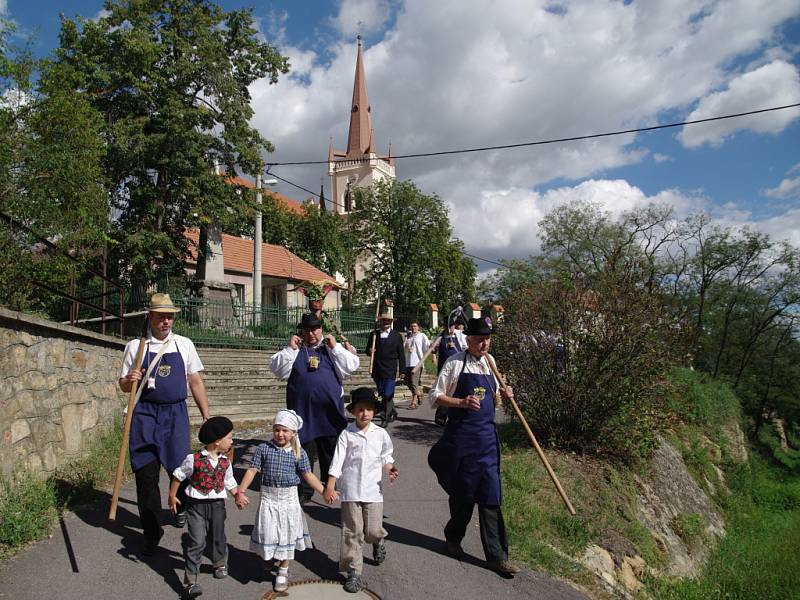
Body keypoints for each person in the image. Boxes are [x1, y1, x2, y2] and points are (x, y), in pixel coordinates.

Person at [426, 316, 520, 577]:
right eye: (480, 340)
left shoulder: (491, 363)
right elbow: (435, 397)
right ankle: (453, 537)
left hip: (488, 442)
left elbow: (496, 401)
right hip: (462, 442)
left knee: (491, 498)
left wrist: (506, 394)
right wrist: (461, 403)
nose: (485, 344)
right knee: (463, 495)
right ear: (468, 340)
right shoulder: (455, 363)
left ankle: (497, 557)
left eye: (488, 339)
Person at [118, 293, 210, 556]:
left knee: (181, 469)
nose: (166, 321)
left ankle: (179, 507)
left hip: (175, 416)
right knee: (145, 476)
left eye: (169, 316)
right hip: (144, 416)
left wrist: (206, 415)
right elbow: (123, 385)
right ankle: (151, 531)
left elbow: (195, 381)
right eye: (161, 316)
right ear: (150, 317)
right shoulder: (135, 347)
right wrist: (129, 379)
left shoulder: (184, 344)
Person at [237, 409, 333, 592]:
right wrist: (240, 491)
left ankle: (283, 569)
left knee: (286, 534)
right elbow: (252, 470)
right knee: (268, 530)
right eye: (277, 430)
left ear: (293, 433)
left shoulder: (299, 453)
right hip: (269, 498)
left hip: (289, 499)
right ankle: (267, 556)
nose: (280, 434)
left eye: (285, 430)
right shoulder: (263, 449)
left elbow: (308, 475)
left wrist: (324, 490)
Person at [270, 313, 360, 504]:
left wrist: (335, 347)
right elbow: (276, 369)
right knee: (304, 454)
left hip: (329, 414)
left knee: (330, 452)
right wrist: (290, 348)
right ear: (302, 332)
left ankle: (330, 485)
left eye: (315, 329)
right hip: (303, 413)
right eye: (307, 330)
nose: (311, 333)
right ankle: (305, 489)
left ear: (321, 329)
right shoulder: (296, 351)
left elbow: (352, 366)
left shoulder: (331, 350)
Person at [324, 387, 399, 593]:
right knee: (352, 532)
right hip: (350, 490)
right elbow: (337, 461)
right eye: (360, 409)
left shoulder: (380, 434)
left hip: (373, 491)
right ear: (353, 411)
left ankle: (378, 540)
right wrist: (330, 485)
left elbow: (386, 456)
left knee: (372, 530)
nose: (364, 413)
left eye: (368, 409)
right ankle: (353, 572)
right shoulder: (347, 435)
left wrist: (390, 468)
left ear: (374, 411)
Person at [169, 416, 244, 599]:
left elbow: (229, 481)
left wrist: (237, 495)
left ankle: (219, 563)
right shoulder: (193, 459)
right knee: (197, 542)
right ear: (218, 441)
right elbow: (178, 475)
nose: (232, 441)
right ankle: (191, 580)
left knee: (218, 537)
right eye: (229, 438)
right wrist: (172, 496)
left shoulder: (225, 462)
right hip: (196, 507)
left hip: (217, 506)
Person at [365, 313, 405, 423]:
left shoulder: (397, 336)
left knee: (387, 394)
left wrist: (402, 370)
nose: (386, 322)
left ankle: (385, 417)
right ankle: (392, 411)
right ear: (380, 321)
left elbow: (401, 354)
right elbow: (367, 350)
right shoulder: (374, 334)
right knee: (383, 394)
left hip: (390, 369)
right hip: (377, 369)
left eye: (388, 321)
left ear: (391, 322)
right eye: (384, 320)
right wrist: (370, 351)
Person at [432, 318, 466, 426]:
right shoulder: (440, 336)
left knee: (455, 392)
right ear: (444, 326)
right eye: (447, 326)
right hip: (444, 369)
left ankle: (453, 416)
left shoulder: (460, 336)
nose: (450, 328)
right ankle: (440, 417)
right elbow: (433, 349)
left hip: (457, 368)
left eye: (451, 326)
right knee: (443, 392)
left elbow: (466, 348)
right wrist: (433, 352)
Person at [403, 321, 430, 409]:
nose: (413, 328)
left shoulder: (422, 336)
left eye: (415, 326)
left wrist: (433, 355)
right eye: (412, 326)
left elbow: (428, 347)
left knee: (414, 383)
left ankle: (414, 402)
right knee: (406, 381)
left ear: (418, 327)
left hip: (417, 363)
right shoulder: (408, 337)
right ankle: (419, 393)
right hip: (408, 362)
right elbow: (404, 347)